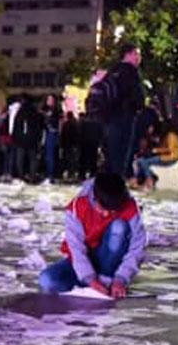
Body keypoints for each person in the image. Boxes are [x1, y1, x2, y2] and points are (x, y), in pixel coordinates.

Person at [38, 171, 148, 299]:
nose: (106, 215)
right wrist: (90, 279)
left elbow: (137, 248)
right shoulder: (78, 206)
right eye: (103, 209)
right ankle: (94, 284)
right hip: (85, 261)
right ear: (94, 199)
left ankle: (107, 280)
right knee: (47, 280)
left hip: (110, 261)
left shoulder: (129, 207)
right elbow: (76, 249)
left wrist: (121, 278)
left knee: (119, 227)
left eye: (112, 211)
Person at [92, 45, 144, 177]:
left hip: (109, 120)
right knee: (122, 157)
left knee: (112, 156)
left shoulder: (112, 71)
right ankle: (117, 188)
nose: (139, 58)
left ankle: (107, 187)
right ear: (128, 54)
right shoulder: (131, 71)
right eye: (136, 54)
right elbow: (136, 97)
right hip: (124, 117)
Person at [40, 94, 61, 182]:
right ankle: (47, 173)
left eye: (52, 99)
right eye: (48, 99)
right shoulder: (44, 110)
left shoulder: (56, 110)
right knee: (46, 155)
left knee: (51, 155)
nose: (50, 101)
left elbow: (59, 123)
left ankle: (50, 175)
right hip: (45, 133)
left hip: (51, 134)